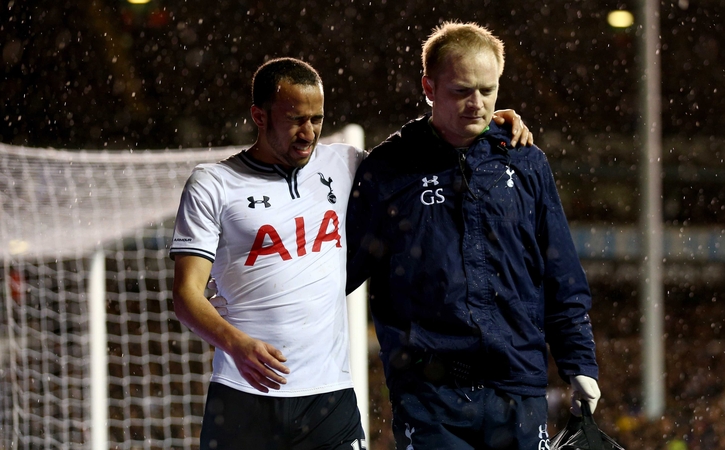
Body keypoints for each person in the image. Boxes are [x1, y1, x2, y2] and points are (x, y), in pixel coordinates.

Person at [170, 57, 532, 450]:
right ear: (259, 115)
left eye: (317, 119)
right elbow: (187, 296)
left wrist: (481, 123)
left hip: (329, 401)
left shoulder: (344, 163)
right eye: (295, 119)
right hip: (243, 399)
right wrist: (237, 345)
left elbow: (422, 147)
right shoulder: (213, 185)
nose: (308, 133)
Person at [345, 22, 601, 450]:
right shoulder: (386, 171)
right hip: (428, 396)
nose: (477, 104)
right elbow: (341, 272)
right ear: (428, 86)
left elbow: (562, 276)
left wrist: (580, 362)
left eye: (488, 90)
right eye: (461, 90)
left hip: (519, 390)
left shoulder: (527, 163)